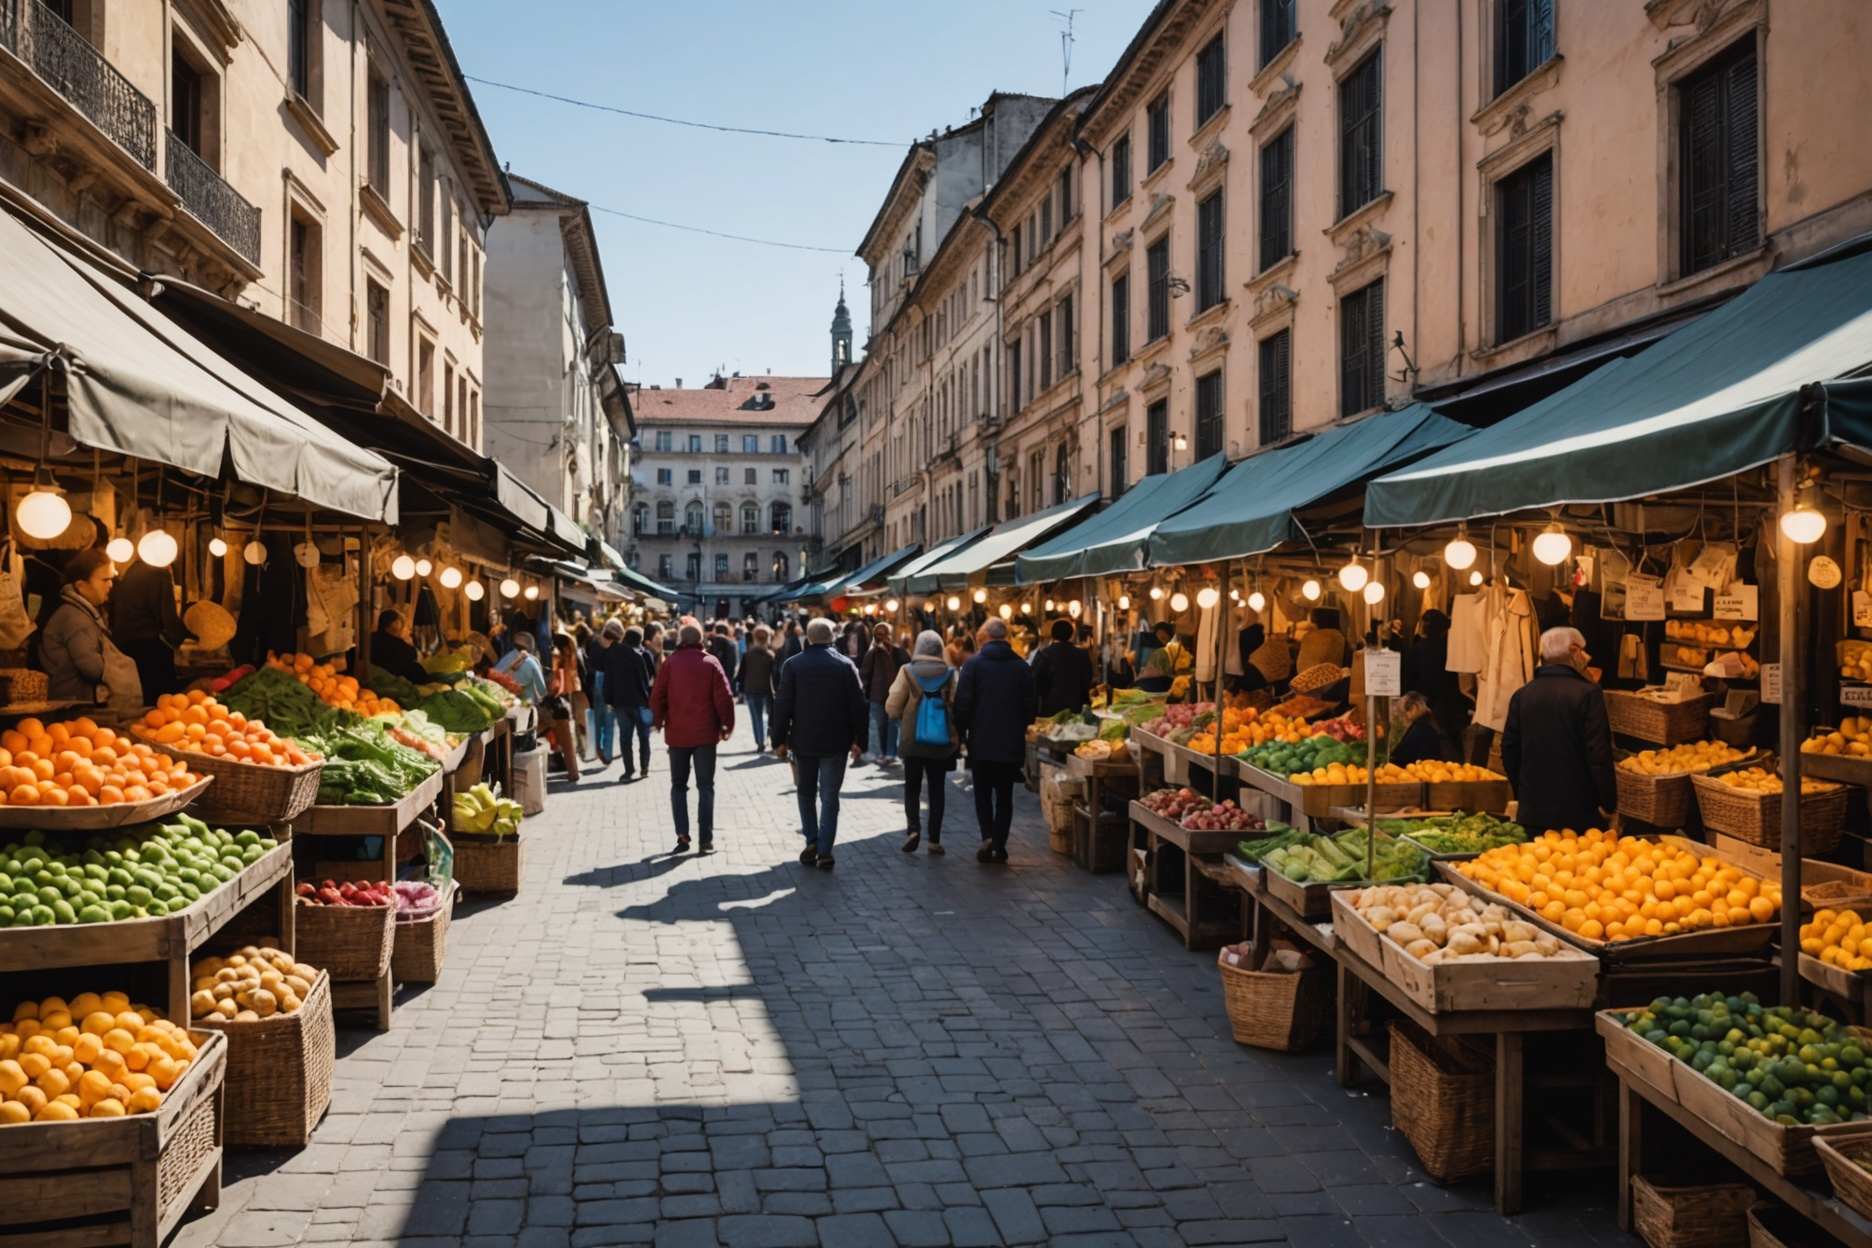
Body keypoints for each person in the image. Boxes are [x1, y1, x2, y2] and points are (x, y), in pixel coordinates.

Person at [771, 617, 866, 870]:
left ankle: (812, 840)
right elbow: (858, 705)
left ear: (808, 639)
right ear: (832, 638)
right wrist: (860, 740)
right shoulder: (845, 665)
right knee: (829, 796)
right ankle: (824, 849)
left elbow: (782, 705)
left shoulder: (793, 665)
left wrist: (778, 739)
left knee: (805, 792)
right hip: (836, 741)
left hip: (803, 740)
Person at [1501, 627, 1617, 834]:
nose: (1586, 657)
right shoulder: (1589, 694)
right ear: (1574, 651)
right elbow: (1599, 754)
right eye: (1583, 650)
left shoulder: (1522, 695)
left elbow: (1509, 750)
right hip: (1579, 812)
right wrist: (1608, 803)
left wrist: (1524, 793)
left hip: (1533, 811)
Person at [955, 617, 1037, 864]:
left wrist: (961, 732)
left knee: (982, 794)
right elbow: (1031, 706)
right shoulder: (1022, 667)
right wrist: (1020, 726)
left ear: (984, 637)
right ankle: (999, 844)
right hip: (1011, 742)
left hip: (980, 741)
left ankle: (987, 836)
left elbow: (963, 704)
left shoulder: (973, 665)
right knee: (1004, 795)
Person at [648, 623, 734, 853]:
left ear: (680, 641)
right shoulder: (711, 662)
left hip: (677, 734)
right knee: (706, 786)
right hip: (706, 734)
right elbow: (724, 697)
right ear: (701, 641)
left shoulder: (671, 663)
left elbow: (657, 695)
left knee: (678, 785)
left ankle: (683, 835)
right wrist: (727, 724)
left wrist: (658, 721)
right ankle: (705, 840)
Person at [42, 548, 142, 719]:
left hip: (76, 703)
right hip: (73, 708)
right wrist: (119, 670)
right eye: (105, 580)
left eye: (112, 579)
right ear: (81, 585)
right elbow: (91, 667)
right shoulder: (75, 619)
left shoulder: (78, 613)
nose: (111, 585)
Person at [885, 629, 958, 854]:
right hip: (940, 740)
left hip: (912, 738)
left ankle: (913, 828)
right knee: (937, 789)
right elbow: (957, 703)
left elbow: (892, 707)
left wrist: (901, 715)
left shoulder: (907, 671)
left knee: (912, 786)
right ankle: (934, 840)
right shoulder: (949, 673)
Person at [110, 557, 187, 700]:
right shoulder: (159, 574)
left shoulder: (131, 571)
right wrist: (181, 636)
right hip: (150, 650)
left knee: (141, 701)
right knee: (161, 703)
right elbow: (168, 618)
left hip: (124, 648)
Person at [603, 623, 656, 781]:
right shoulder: (639, 656)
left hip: (620, 702)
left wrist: (609, 700)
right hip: (639, 702)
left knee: (625, 738)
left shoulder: (612, 654)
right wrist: (648, 701)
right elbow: (644, 681)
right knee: (643, 737)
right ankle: (644, 768)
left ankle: (628, 771)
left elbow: (608, 680)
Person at [860, 622, 909, 765]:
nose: (880, 637)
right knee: (881, 724)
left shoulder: (899, 651)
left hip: (895, 694)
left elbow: (906, 668)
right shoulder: (872, 653)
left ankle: (890, 753)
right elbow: (865, 674)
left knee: (893, 723)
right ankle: (883, 751)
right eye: (877, 633)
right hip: (877, 695)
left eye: (883, 633)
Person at [1032, 618, 1095, 717]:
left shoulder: (1044, 654)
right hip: (1075, 707)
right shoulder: (1082, 655)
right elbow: (1087, 680)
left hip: (1050, 708)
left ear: (1053, 634)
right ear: (1071, 634)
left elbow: (1036, 681)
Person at [735, 624, 778, 753]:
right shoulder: (770, 655)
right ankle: (765, 739)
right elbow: (775, 676)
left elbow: (741, 675)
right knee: (767, 716)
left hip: (751, 689)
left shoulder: (748, 655)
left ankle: (760, 742)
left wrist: (741, 690)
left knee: (756, 718)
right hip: (766, 690)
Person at [546, 632, 581, 783]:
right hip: (560, 704)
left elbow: (554, 688)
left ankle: (572, 771)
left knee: (564, 739)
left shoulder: (557, 663)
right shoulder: (566, 663)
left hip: (555, 705)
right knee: (567, 740)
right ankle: (572, 771)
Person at [1389, 692, 1451, 766]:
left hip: (1420, 770)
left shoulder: (1421, 728)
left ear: (1414, 707)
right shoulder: (1429, 722)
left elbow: (1404, 753)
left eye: (1405, 713)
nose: (1405, 717)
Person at [369, 609, 428, 687]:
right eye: (404, 625)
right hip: (391, 683)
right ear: (395, 625)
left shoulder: (370, 638)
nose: (407, 630)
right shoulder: (398, 643)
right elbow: (417, 656)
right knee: (415, 668)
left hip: (373, 680)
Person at [493, 630, 549, 705]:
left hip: (505, 703)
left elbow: (493, 677)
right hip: (527, 704)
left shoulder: (505, 659)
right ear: (531, 646)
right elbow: (542, 690)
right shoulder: (532, 662)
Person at [585, 624, 615, 766]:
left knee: (598, 719)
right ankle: (607, 754)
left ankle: (597, 748)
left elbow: (589, 664)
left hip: (597, 682)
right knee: (609, 720)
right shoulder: (616, 646)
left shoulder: (595, 643)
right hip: (609, 681)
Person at [708, 623, 738, 687]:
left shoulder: (711, 644)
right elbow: (733, 662)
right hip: (726, 678)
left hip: (712, 678)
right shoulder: (731, 644)